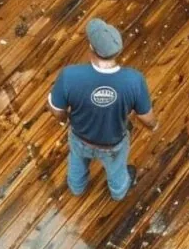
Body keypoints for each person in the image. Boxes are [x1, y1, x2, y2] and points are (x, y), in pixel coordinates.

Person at [48, 18, 159, 200]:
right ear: (118, 50)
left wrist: (64, 120)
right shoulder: (134, 80)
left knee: (76, 162)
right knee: (117, 171)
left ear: (91, 47)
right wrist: (154, 127)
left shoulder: (69, 75)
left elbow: (55, 109)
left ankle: (77, 188)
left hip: (79, 138)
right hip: (113, 144)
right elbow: (146, 117)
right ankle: (118, 192)